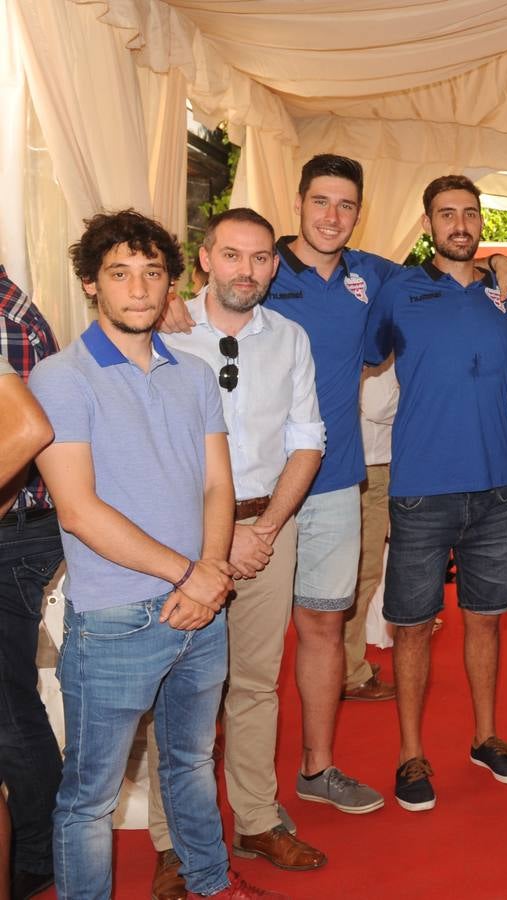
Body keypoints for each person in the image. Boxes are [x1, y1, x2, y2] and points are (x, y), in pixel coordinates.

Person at [159, 155, 507, 814]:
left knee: (324, 630)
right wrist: (166, 303)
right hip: (240, 490)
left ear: (360, 213)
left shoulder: (378, 277)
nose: (332, 217)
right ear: (298, 202)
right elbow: (210, 298)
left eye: (346, 205)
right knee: (217, 648)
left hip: (334, 481)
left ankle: (317, 768)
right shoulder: (262, 270)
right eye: (321, 202)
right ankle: (189, 801)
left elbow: (454, 267)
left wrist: (502, 263)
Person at [30, 210, 281, 899]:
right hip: (116, 618)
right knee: (90, 798)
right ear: (90, 284)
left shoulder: (194, 374)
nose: (138, 288)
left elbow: (217, 483)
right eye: (119, 273)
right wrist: (194, 574)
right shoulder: (60, 378)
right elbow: (79, 510)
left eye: (151, 272)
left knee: (192, 762)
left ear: (171, 282)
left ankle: (209, 882)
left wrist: (212, 572)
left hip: (203, 607)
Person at [147, 208, 327, 894]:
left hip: (265, 532)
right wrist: (211, 546)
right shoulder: (162, 330)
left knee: (255, 684)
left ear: (273, 267)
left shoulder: (290, 338)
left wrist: (267, 530)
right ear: (204, 261)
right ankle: (174, 841)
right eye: (231, 256)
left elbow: (307, 439)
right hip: (181, 540)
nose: (244, 270)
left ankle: (255, 818)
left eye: (258, 258)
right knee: (179, 693)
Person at [365, 175, 507, 811]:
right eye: (446, 214)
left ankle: (485, 737)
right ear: (428, 223)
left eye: (469, 213)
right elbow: (365, 354)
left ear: (482, 221)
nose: (459, 224)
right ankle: (411, 754)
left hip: (493, 489)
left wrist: (502, 269)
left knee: (485, 619)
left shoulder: (503, 296)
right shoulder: (399, 290)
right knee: (412, 626)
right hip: (420, 490)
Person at [0, 265, 62, 900]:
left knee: (7, 707)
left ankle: (37, 851)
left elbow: (27, 430)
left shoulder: (3, 311)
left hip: (12, 529)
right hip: (22, 525)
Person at [342, 358, 398, 702]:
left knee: (361, 573)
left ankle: (348, 661)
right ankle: (349, 671)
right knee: (363, 573)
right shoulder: (381, 346)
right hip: (369, 465)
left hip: (368, 460)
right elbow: (378, 405)